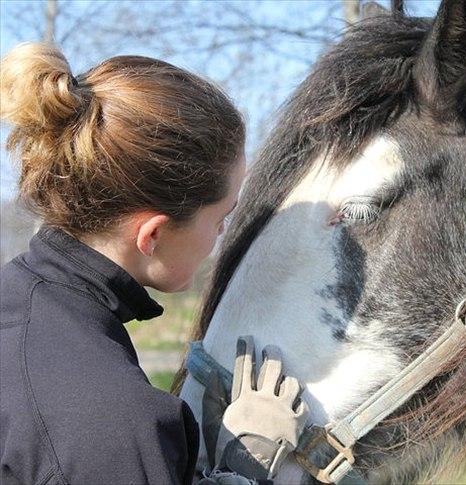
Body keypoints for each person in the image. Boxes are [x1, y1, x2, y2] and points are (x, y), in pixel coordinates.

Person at [0, 43, 308, 484]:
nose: (219, 236)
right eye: (221, 218)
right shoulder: (115, 423)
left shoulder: (18, 303)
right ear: (153, 235)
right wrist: (248, 473)